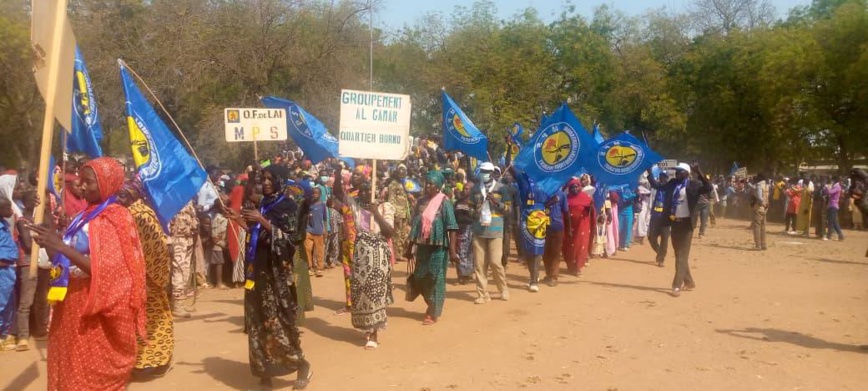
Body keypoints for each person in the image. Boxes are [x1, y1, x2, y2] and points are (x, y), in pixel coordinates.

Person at [31, 157, 147, 390]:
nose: (81, 186)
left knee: (89, 374)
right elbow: (67, 258)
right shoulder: (86, 215)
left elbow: (106, 270)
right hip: (71, 305)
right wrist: (49, 240)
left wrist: (61, 246)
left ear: (107, 182)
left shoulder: (116, 217)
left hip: (95, 309)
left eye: (88, 182)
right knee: (69, 366)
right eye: (80, 181)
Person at [240, 164, 312, 390]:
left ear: (281, 180)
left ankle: (302, 364)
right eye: (264, 178)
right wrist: (238, 219)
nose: (266, 182)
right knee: (257, 321)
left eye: (271, 178)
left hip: (276, 277)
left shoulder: (289, 206)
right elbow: (256, 236)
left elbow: (290, 241)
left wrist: (262, 221)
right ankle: (265, 370)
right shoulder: (264, 204)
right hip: (257, 272)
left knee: (278, 322)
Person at [117, 178, 175, 380]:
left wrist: (145, 279)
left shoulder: (141, 215)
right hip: (137, 278)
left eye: (124, 195)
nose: (119, 198)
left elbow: (150, 250)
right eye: (118, 194)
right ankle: (141, 361)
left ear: (136, 195)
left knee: (152, 321)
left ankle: (156, 362)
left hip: (148, 279)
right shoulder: (129, 214)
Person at [646, 162, 712, 297]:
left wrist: (699, 172)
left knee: (681, 256)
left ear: (687, 173)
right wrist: (649, 172)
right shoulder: (672, 183)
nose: (677, 173)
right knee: (679, 254)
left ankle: (676, 286)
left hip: (687, 225)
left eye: (680, 171)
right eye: (676, 171)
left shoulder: (694, 184)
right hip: (674, 222)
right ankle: (689, 281)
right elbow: (657, 185)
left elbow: (708, 187)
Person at [405, 170, 459, 325]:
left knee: (436, 278)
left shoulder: (445, 203)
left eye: (431, 183)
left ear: (438, 186)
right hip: (422, 245)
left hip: (439, 247)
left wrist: (453, 252)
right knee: (420, 277)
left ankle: (433, 312)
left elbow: (452, 228)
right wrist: (409, 249)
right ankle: (431, 303)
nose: (428, 186)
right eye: (426, 183)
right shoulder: (420, 202)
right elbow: (415, 226)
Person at [346, 182, 395, 350]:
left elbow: (389, 232)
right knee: (361, 291)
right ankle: (367, 326)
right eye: (364, 189)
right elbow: (338, 194)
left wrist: (376, 213)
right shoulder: (356, 206)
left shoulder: (385, 207)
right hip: (361, 255)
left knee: (375, 291)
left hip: (378, 254)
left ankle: (374, 333)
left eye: (370, 189)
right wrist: (338, 173)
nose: (367, 192)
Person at [13, 190, 51, 351]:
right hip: (28, 262)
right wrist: (41, 236)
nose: (36, 201)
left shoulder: (42, 217)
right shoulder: (22, 221)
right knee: (26, 301)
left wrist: (44, 213)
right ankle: (23, 336)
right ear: (27, 202)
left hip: (42, 262)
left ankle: (41, 331)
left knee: (42, 299)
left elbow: (52, 234)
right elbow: (29, 245)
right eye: (34, 199)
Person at [469, 162, 511, 303]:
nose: (483, 173)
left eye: (486, 171)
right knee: (479, 264)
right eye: (481, 171)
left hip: (495, 230)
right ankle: (482, 294)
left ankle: (503, 289)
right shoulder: (475, 189)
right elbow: (469, 209)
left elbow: (508, 209)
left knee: (495, 262)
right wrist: (476, 209)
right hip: (479, 230)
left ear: (492, 173)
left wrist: (495, 202)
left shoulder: (501, 188)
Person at [169, 202, 198, 318]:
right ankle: (177, 305)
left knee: (185, 271)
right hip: (177, 240)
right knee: (178, 271)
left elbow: (193, 218)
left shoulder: (188, 200)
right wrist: (168, 241)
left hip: (189, 238)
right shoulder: (171, 200)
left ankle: (181, 301)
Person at [563, 178, 593, 276]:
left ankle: (578, 267)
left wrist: (590, 208)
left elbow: (592, 211)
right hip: (569, 226)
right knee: (569, 247)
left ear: (580, 187)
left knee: (580, 246)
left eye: (576, 187)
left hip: (582, 227)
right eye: (572, 187)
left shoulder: (587, 198)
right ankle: (571, 266)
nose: (574, 189)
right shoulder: (566, 199)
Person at [0, 197, 17, 351]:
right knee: (0, 304)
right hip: (2, 270)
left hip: (9, 270)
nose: (10, 211)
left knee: (8, 305)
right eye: (7, 208)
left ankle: (3, 336)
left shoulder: (5, 225)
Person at [543, 188, 569, 286]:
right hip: (543, 226)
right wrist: (551, 202)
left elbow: (566, 212)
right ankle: (548, 274)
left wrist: (569, 228)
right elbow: (539, 207)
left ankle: (553, 276)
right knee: (545, 253)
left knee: (555, 252)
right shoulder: (542, 192)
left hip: (557, 227)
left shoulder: (561, 194)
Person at [453, 182, 475, 284]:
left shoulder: (474, 203)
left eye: (468, 189)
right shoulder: (458, 202)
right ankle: (461, 275)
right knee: (460, 251)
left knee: (469, 252)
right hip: (460, 229)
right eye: (464, 188)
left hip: (470, 229)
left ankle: (468, 274)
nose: (465, 190)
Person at [648, 171, 671, 267]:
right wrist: (649, 172)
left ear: (668, 179)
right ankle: (659, 252)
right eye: (661, 177)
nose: (663, 179)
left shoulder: (670, 189)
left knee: (664, 240)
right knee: (651, 238)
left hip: (666, 219)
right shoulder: (658, 188)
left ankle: (661, 259)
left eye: (665, 177)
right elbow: (653, 183)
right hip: (655, 217)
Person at [304, 187, 326, 277]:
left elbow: (325, 218)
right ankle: (310, 267)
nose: (314, 195)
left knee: (319, 250)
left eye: (316, 193)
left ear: (320, 194)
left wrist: (325, 229)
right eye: (313, 193)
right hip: (309, 230)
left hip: (319, 230)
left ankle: (319, 268)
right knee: (307, 249)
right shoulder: (309, 205)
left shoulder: (322, 205)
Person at [210, 203, 230, 288]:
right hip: (218, 246)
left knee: (222, 263)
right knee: (219, 263)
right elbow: (215, 237)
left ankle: (222, 281)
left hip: (224, 244)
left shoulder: (224, 217)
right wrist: (223, 245)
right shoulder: (217, 219)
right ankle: (219, 283)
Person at [748, 174, 769, 251]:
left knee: (756, 226)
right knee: (763, 227)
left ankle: (758, 245)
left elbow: (759, 196)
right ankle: (763, 244)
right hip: (765, 207)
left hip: (759, 206)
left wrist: (762, 202)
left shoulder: (759, 184)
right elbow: (756, 189)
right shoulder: (766, 185)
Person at [824, 176, 844, 241]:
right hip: (831, 205)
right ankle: (839, 236)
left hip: (833, 205)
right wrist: (827, 188)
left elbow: (830, 192)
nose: (832, 181)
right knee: (833, 221)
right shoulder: (835, 186)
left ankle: (830, 236)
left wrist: (827, 187)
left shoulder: (837, 187)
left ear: (835, 180)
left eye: (833, 180)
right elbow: (827, 193)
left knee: (832, 221)